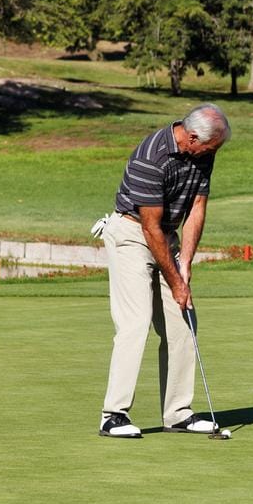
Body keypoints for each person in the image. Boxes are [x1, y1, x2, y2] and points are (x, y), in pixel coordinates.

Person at [95, 103, 231, 438]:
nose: (213, 154)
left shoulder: (203, 151)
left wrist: (185, 263)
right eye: (211, 148)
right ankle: (113, 416)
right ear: (192, 138)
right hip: (131, 233)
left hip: (164, 236)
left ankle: (178, 413)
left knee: (184, 321)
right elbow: (149, 228)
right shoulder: (150, 157)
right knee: (136, 321)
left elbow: (197, 207)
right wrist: (175, 281)